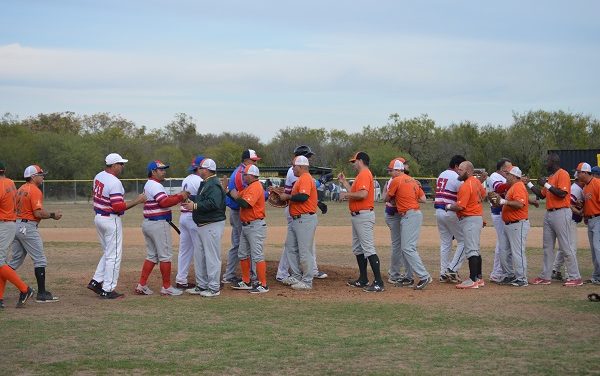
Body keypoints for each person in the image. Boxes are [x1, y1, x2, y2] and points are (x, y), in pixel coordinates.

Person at [88, 153, 146, 299]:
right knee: (113, 256)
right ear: (113, 166)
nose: (122, 166)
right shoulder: (114, 182)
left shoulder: (98, 176)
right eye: (120, 164)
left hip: (99, 217)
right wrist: (137, 200)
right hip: (110, 219)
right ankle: (108, 289)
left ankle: (96, 281)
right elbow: (118, 207)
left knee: (108, 252)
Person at [525, 153, 582, 285]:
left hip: (561, 212)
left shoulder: (563, 174)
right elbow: (542, 195)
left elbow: (562, 194)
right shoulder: (551, 177)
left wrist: (546, 184)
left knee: (566, 245)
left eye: (548, 161)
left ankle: (575, 277)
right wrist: (529, 184)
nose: (546, 163)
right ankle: (546, 276)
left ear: (553, 161)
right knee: (547, 247)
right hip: (550, 213)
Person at [135, 160, 190, 296]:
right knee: (165, 256)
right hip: (158, 223)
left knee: (152, 256)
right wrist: (180, 196)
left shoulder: (150, 184)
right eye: (161, 169)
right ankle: (166, 287)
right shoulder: (156, 185)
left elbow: (163, 199)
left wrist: (177, 197)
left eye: (164, 169)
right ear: (153, 172)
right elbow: (164, 202)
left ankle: (141, 285)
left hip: (149, 223)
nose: (164, 171)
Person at [9, 165, 62, 302]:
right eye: (40, 174)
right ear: (33, 177)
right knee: (40, 259)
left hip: (16, 225)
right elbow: (38, 213)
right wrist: (52, 215)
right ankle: (42, 294)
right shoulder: (34, 190)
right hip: (28, 227)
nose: (43, 176)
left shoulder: (21, 189)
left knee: (14, 261)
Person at [276, 145, 327, 283]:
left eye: (294, 166)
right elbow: (300, 195)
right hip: (297, 217)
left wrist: (287, 197)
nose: (292, 168)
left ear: (300, 166)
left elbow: (303, 197)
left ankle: (307, 280)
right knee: (291, 248)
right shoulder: (300, 177)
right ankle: (297, 276)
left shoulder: (305, 178)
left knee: (304, 251)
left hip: (304, 218)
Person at [338, 151, 384, 292]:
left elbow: (363, 195)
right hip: (358, 216)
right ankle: (363, 279)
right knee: (358, 249)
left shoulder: (364, 174)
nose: (353, 164)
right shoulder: (361, 175)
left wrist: (345, 194)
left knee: (368, 249)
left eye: (354, 161)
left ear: (361, 161)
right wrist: (344, 183)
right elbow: (355, 192)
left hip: (363, 215)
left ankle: (379, 282)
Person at [386, 159, 432, 290]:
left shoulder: (396, 180)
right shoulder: (412, 180)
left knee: (407, 247)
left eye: (391, 171)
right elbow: (423, 199)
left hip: (409, 215)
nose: (390, 173)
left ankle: (424, 276)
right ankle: (409, 277)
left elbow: (386, 198)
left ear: (398, 170)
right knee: (407, 247)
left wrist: (398, 197)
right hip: (413, 214)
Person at [184, 158, 227, 297]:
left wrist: (195, 205)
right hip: (204, 224)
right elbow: (204, 200)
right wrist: (191, 198)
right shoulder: (207, 183)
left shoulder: (213, 184)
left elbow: (213, 203)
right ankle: (202, 285)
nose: (199, 170)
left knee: (211, 257)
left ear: (207, 170)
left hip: (212, 224)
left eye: (201, 168)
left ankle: (214, 288)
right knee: (201, 256)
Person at [226, 164, 269, 293]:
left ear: (251, 175)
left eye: (245, 174)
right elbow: (239, 198)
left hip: (255, 225)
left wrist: (232, 194)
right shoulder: (250, 187)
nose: (243, 176)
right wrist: (229, 193)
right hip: (246, 225)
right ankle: (246, 281)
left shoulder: (256, 186)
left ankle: (263, 284)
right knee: (243, 253)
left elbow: (245, 203)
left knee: (257, 256)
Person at [222, 149, 261, 285]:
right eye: (253, 160)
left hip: (237, 210)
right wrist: (266, 194)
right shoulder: (242, 174)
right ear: (246, 160)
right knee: (243, 245)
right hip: (239, 211)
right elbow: (244, 198)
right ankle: (249, 276)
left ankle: (231, 274)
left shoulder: (242, 171)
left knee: (239, 244)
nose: (256, 163)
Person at [446, 161, 487, 289]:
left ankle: (473, 280)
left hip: (469, 218)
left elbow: (460, 206)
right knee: (475, 248)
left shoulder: (466, 185)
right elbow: (483, 195)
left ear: (468, 171)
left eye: (461, 169)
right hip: (475, 217)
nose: (458, 171)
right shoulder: (476, 182)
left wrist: (448, 206)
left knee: (471, 250)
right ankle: (478, 278)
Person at [0, 161, 35, 308]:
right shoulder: (9, 182)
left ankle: (25, 289)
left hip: (5, 223)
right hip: (8, 223)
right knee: (0, 261)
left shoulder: (1, 184)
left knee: (0, 262)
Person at [435, 155, 467, 283]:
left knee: (445, 243)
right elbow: (464, 193)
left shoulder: (441, 174)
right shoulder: (456, 176)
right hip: (450, 211)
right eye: (462, 167)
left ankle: (443, 273)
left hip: (438, 210)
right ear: (456, 166)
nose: (462, 171)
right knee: (465, 241)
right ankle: (451, 269)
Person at [175, 155, 204, 289]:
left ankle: (181, 279)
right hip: (193, 216)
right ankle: (201, 280)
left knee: (185, 250)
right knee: (199, 249)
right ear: (200, 168)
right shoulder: (199, 180)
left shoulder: (186, 179)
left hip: (183, 217)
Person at [382, 158, 413, 286]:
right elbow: (388, 199)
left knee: (403, 245)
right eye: (405, 163)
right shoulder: (395, 180)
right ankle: (394, 274)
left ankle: (401, 273)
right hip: (394, 215)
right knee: (399, 245)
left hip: (398, 215)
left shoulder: (403, 179)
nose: (407, 165)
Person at [498, 167, 530, 287]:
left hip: (518, 223)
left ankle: (522, 278)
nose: (506, 176)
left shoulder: (518, 186)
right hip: (509, 223)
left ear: (514, 176)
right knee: (504, 251)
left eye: (508, 174)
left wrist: (503, 202)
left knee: (517, 252)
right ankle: (510, 275)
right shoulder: (513, 187)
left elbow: (519, 204)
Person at [551, 171, 585, 281]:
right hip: (570, 220)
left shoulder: (577, 188)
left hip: (569, 220)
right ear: (578, 180)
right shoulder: (576, 188)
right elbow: (568, 204)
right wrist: (578, 211)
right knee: (570, 247)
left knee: (564, 246)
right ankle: (569, 274)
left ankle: (555, 270)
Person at [488, 158, 514, 284]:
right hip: (498, 213)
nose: (510, 170)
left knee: (503, 242)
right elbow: (499, 188)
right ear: (502, 168)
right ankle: (497, 273)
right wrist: (515, 181)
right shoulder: (494, 176)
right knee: (502, 243)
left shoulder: (505, 177)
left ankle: (499, 272)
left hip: (504, 212)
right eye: (508, 168)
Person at [575, 162, 600, 285]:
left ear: (585, 172)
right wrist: (582, 206)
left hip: (598, 219)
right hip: (590, 219)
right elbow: (589, 203)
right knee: (594, 250)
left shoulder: (597, 184)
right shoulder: (585, 187)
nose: (578, 174)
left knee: (598, 248)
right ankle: (596, 276)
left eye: (579, 172)